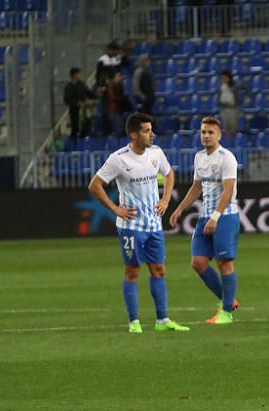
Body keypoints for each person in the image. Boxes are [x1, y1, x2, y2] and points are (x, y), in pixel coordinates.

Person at [88, 113, 188, 333]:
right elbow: (95, 185)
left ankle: (162, 320)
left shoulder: (156, 153)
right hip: (131, 227)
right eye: (146, 131)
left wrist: (165, 199)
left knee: (159, 269)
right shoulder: (119, 159)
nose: (152, 134)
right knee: (132, 270)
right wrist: (115, 208)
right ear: (133, 134)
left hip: (154, 225)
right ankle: (134, 322)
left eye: (151, 129)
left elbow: (169, 174)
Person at [169, 117, 241, 325]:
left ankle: (226, 313)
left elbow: (228, 191)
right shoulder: (199, 157)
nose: (206, 136)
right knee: (198, 262)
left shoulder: (226, 158)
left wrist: (216, 217)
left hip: (225, 216)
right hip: (205, 216)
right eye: (203, 132)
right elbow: (196, 187)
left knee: (224, 263)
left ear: (219, 135)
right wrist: (180, 209)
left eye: (211, 132)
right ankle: (228, 300)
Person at [63, 67, 98, 140]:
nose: (79, 76)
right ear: (73, 75)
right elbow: (67, 99)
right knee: (75, 127)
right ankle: (74, 144)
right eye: (78, 74)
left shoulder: (81, 84)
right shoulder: (69, 86)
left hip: (84, 109)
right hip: (75, 111)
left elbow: (89, 93)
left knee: (86, 125)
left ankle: (83, 140)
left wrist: (97, 96)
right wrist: (77, 103)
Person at [102, 72, 130, 137]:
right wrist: (123, 98)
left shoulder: (119, 85)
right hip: (113, 111)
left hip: (118, 110)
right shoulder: (111, 86)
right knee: (119, 129)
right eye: (118, 76)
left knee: (121, 129)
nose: (120, 77)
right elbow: (113, 98)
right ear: (114, 77)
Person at [218, 70, 244, 138]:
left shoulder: (235, 85)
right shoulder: (221, 85)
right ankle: (229, 142)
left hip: (232, 108)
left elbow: (244, 89)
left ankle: (236, 140)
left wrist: (241, 100)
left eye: (225, 77)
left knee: (234, 126)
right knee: (226, 126)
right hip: (224, 108)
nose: (223, 79)